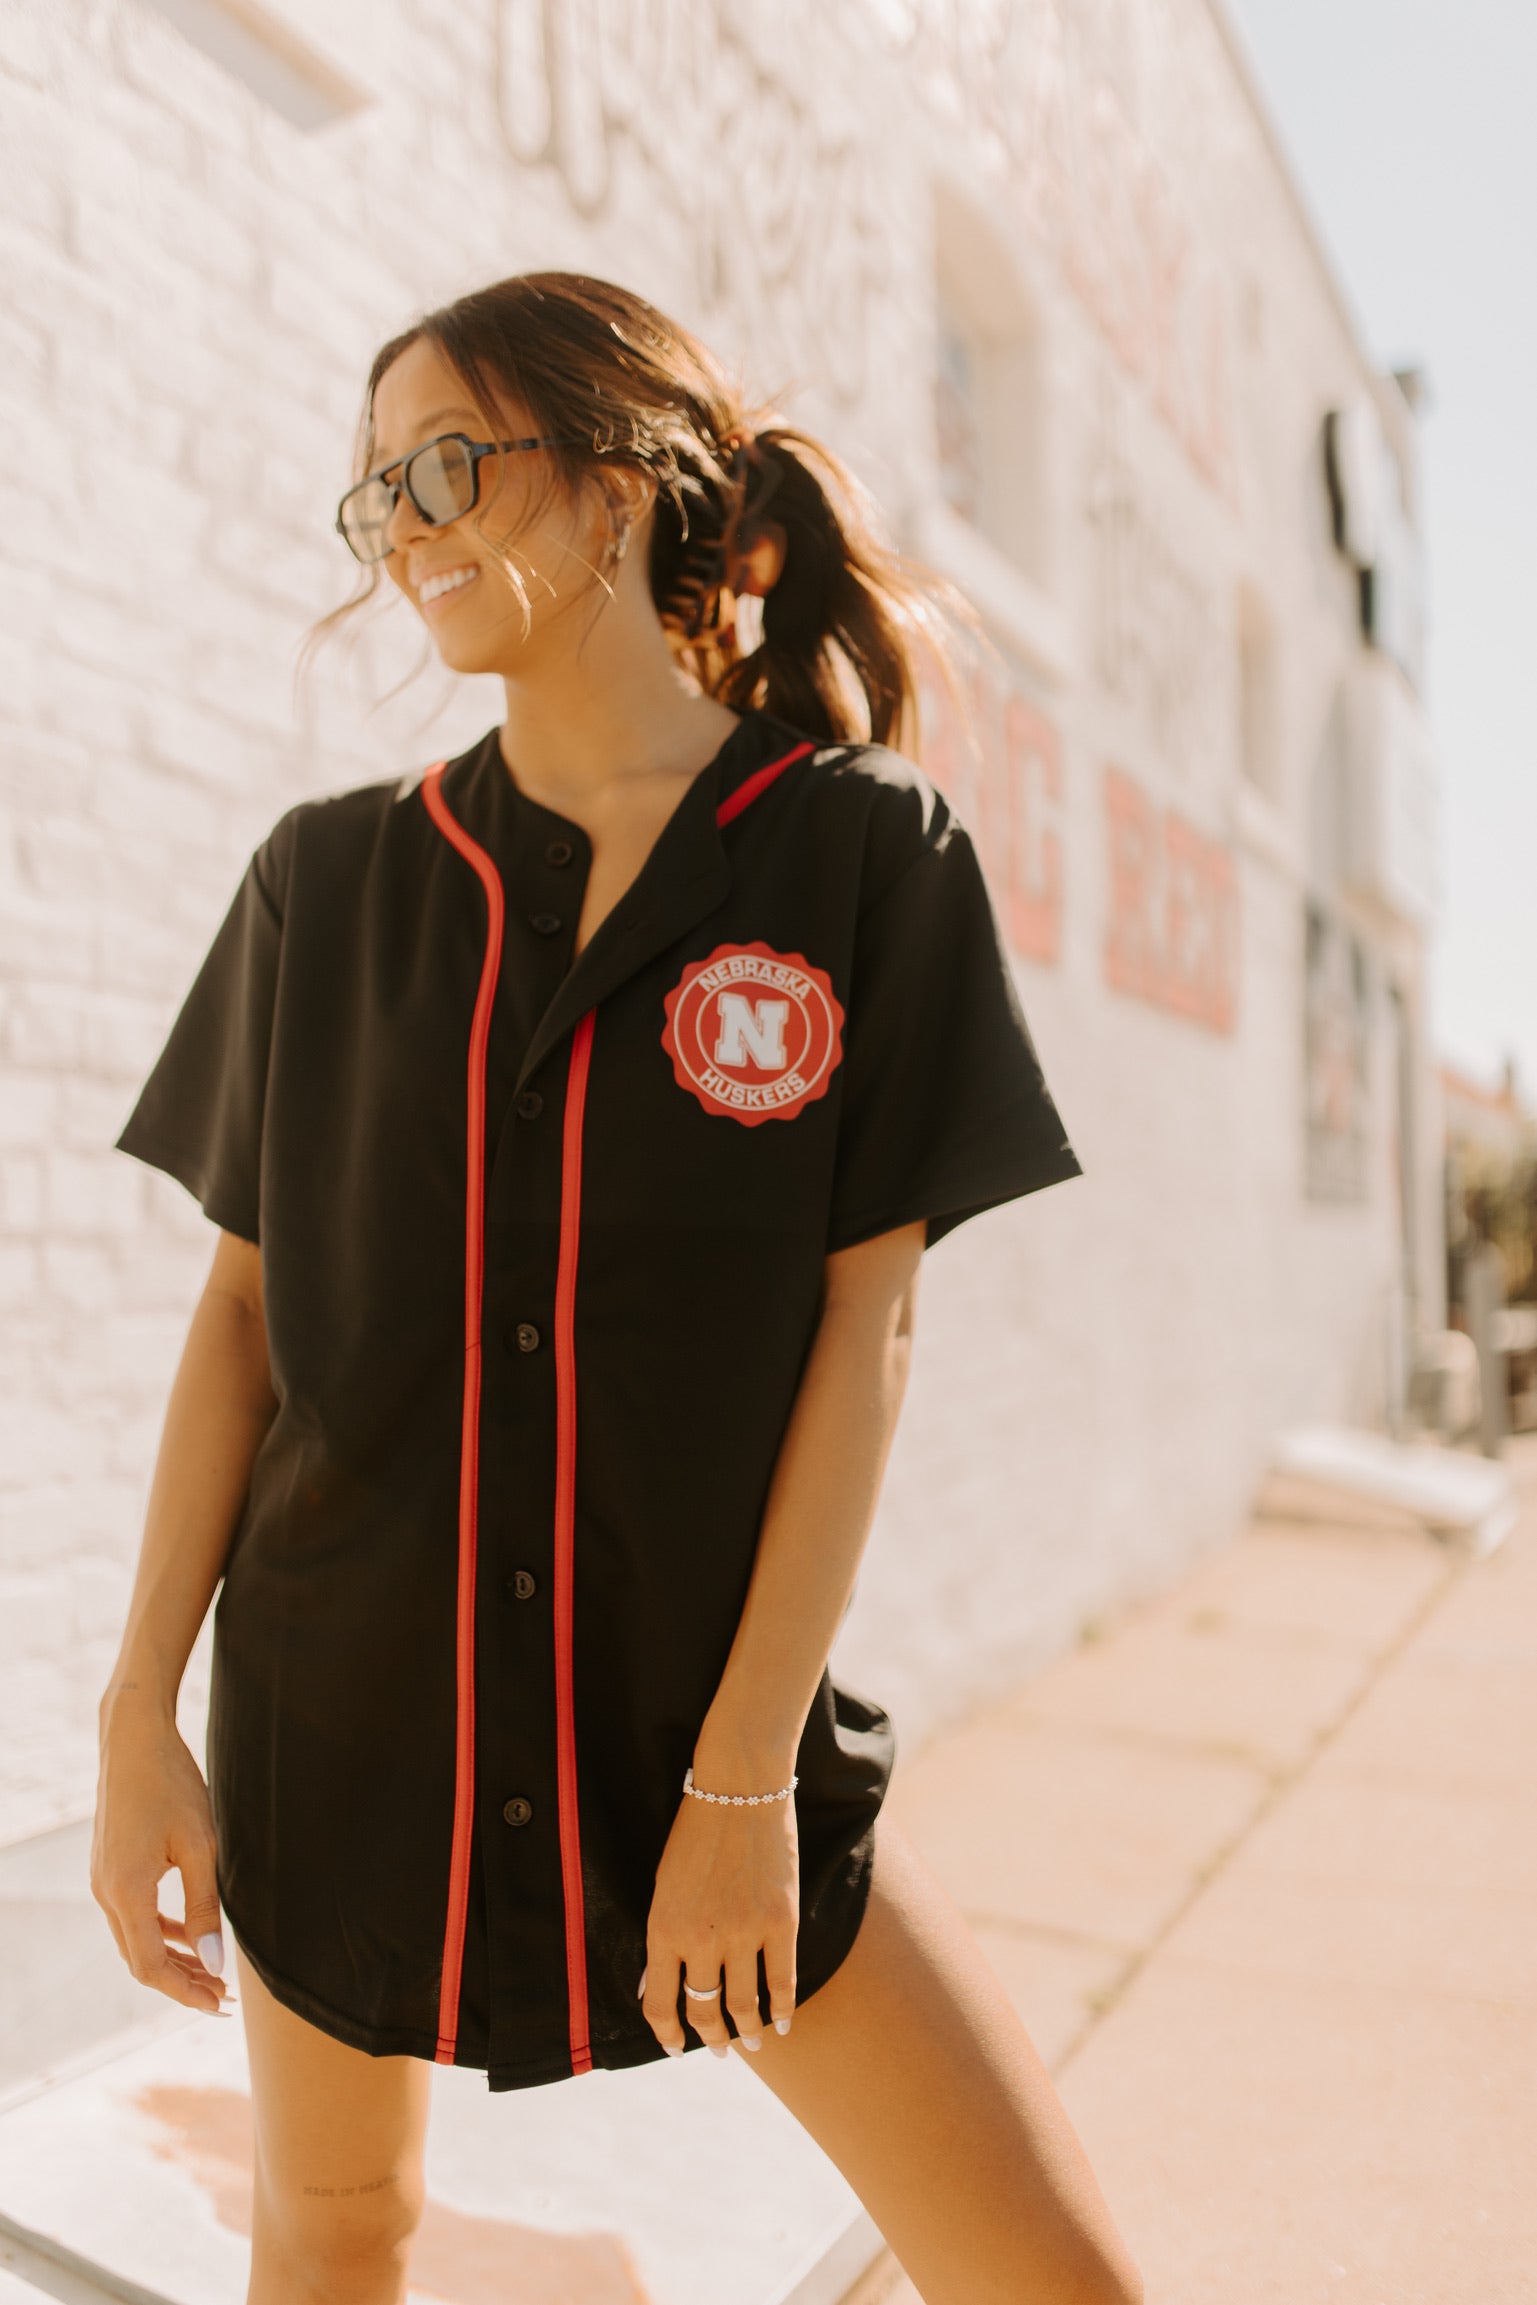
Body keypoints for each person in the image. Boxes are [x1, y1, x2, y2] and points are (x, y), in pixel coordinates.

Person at [92, 272, 1140, 2305]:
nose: (401, 525)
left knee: (1049, 2277)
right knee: (331, 2235)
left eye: (446, 463)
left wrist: (746, 1779)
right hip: (332, 1724)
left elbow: (867, 1333)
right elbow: (239, 1324)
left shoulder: (858, 859)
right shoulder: (328, 880)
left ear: (617, 488)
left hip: (701, 1740)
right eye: (370, 490)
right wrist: (140, 1702)